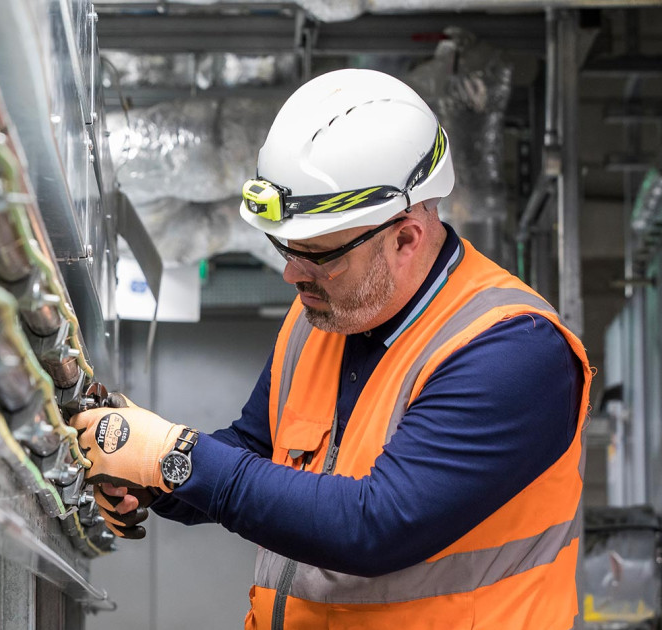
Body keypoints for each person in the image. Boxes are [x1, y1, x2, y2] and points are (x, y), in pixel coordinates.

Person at [71, 68, 590, 630]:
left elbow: (375, 527)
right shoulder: (320, 315)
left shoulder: (512, 351)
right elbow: (255, 450)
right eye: (284, 247)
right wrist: (150, 476)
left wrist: (175, 457)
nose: (292, 273)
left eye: (317, 254)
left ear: (405, 236)